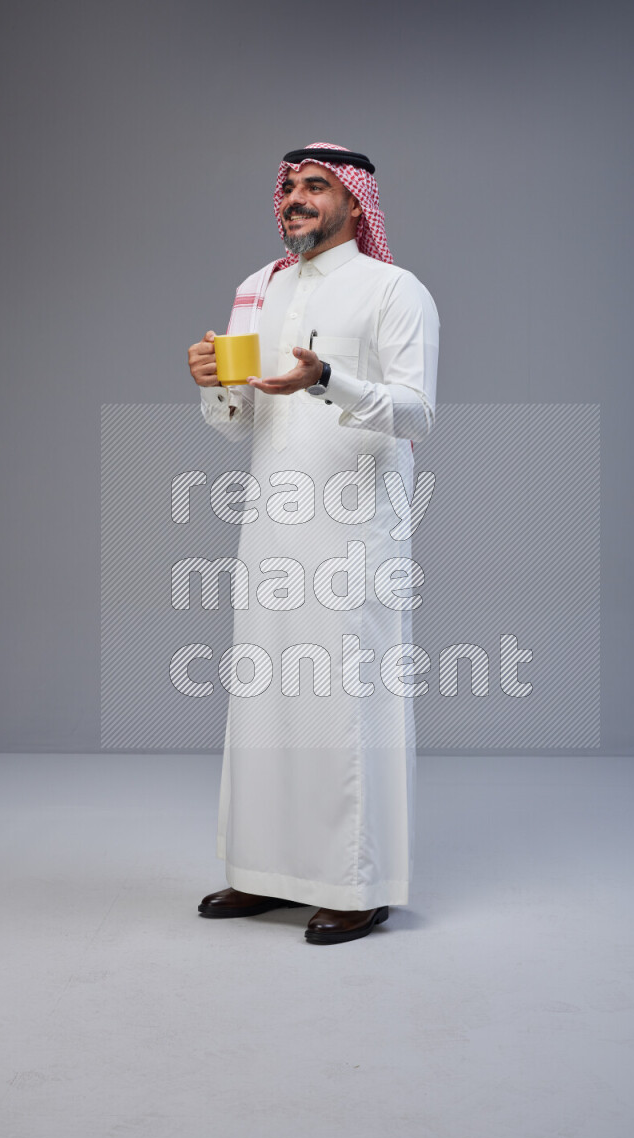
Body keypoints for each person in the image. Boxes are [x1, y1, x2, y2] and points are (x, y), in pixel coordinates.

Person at [187, 143, 439, 944]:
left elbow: (417, 413)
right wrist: (215, 384)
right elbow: (239, 426)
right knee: (263, 700)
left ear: (356, 204)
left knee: (344, 702)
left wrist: (327, 376)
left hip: (355, 527)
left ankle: (355, 885)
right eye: (290, 185)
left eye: (316, 186)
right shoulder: (258, 290)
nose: (296, 198)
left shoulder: (394, 290)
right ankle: (264, 873)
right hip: (269, 524)